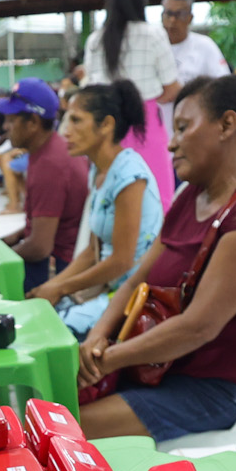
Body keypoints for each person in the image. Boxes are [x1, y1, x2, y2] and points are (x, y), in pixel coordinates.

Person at [76, 75, 236, 442]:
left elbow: (199, 327)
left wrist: (108, 359)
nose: (172, 143)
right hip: (158, 366)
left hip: (212, 389)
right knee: (49, 401)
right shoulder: (190, 197)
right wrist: (98, 338)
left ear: (227, 124)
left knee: (62, 426)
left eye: (182, 127)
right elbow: (134, 282)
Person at [32, 81, 164, 338]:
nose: (65, 131)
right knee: (38, 312)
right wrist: (51, 286)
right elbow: (92, 252)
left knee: (52, 332)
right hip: (108, 288)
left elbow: (122, 261)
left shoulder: (129, 175)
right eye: (66, 120)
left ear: (106, 125)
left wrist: (61, 289)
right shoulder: (100, 170)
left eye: (76, 121)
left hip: (133, 296)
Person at [83, 0, 182, 194]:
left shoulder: (95, 41)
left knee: (111, 196)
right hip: (145, 123)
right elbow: (172, 88)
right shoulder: (154, 34)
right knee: (155, 193)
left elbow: (91, 91)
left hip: (106, 127)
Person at [0, 78, 88, 292]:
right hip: (58, 257)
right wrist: (16, 236)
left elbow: (40, 247)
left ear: (33, 122)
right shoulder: (51, 149)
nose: (5, 126)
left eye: (11, 120)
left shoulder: (49, 166)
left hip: (58, 268)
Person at [161, 0, 229, 143]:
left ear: (190, 17)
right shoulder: (151, 47)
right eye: (168, 14)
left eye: (179, 15)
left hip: (193, 137)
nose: (172, 21)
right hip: (158, 137)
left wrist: (183, 92)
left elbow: (223, 88)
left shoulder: (205, 47)